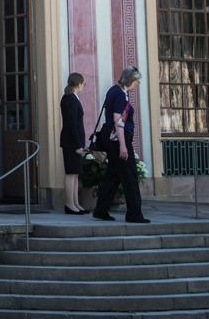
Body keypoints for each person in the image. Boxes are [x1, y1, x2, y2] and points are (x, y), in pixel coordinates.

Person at [92, 67, 149, 224]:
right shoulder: (119, 95)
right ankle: (134, 214)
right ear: (130, 80)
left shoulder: (115, 91)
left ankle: (101, 210)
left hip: (111, 139)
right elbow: (118, 121)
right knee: (130, 176)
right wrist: (123, 146)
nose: (138, 84)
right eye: (137, 81)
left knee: (114, 175)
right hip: (117, 140)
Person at [60, 73, 87, 214]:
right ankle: (69, 204)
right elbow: (72, 125)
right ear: (79, 84)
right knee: (71, 173)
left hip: (74, 142)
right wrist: (77, 145)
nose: (83, 86)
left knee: (76, 173)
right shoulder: (69, 99)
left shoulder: (72, 98)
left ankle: (75, 203)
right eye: (83, 84)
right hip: (71, 143)